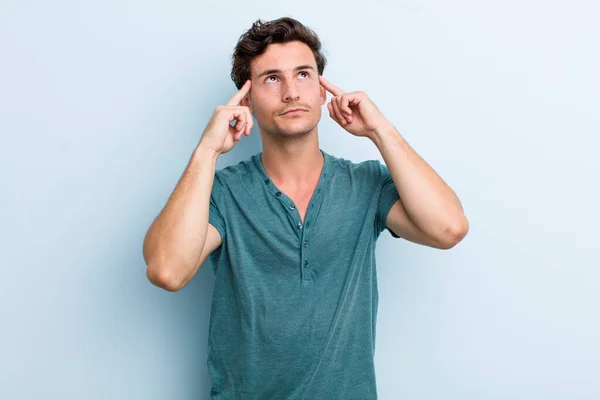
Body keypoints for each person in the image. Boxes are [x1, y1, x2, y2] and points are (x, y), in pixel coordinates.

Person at [142, 17, 469, 400]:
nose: (291, 92)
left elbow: (449, 229)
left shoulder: (365, 185)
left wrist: (381, 131)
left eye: (303, 75)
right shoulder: (223, 193)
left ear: (321, 90)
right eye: (271, 78)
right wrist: (207, 151)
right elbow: (167, 271)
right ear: (245, 101)